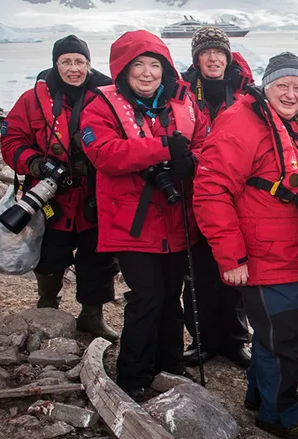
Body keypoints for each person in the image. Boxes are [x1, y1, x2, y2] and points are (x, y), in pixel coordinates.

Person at [193, 52, 298, 439]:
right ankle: (277, 413)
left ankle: (262, 394)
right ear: (265, 86)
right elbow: (211, 190)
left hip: (295, 251)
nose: (290, 93)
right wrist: (231, 256)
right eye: (282, 85)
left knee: (278, 334)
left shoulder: (296, 123)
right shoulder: (241, 122)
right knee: (278, 337)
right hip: (266, 256)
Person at [80, 29, 209, 398]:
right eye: (139, 65)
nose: (148, 73)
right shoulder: (100, 106)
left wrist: (191, 162)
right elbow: (105, 154)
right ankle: (132, 377)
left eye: (155, 65)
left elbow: (205, 143)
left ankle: (169, 366)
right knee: (147, 295)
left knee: (171, 295)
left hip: (174, 217)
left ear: (166, 69)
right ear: (123, 69)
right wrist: (163, 149)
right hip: (131, 222)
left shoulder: (183, 104)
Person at [0, 35, 119, 342]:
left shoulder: (106, 96)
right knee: (50, 254)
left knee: (98, 258)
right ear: (55, 64)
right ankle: (47, 306)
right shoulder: (32, 99)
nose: (73, 68)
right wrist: (37, 164)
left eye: (79, 62)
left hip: (95, 194)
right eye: (66, 61)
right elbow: (12, 141)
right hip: (51, 198)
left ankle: (92, 316)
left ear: (89, 64)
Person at [179, 25, 254, 369]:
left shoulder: (244, 92)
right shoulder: (181, 93)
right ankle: (203, 339)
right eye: (207, 52)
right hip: (193, 190)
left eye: (219, 52)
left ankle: (236, 339)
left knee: (235, 268)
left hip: (237, 192)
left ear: (228, 56)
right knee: (199, 270)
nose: (213, 58)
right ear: (197, 58)